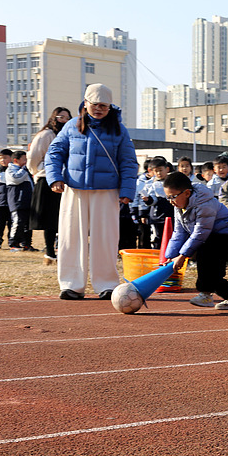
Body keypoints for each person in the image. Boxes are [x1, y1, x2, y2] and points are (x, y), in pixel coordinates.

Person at [43, 83, 139, 300]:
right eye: (94, 104)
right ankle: (71, 285)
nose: (98, 109)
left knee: (106, 238)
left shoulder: (119, 129)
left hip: (107, 192)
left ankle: (106, 284)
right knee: (70, 237)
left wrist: (127, 190)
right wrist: (55, 177)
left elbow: (128, 162)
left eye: (103, 106)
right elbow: (54, 152)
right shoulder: (71, 126)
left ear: (110, 107)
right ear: (85, 104)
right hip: (74, 190)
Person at [161, 172, 228, 310]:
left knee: (210, 267)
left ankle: (207, 295)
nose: (170, 201)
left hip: (225, 234)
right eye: (167, 197)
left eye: (173, 197)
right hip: (209, 236)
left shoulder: (204, 204)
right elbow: (179, 232)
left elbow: (201, 232)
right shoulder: (179, 206)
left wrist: (182, 256)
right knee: (209, 269)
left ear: (187, 193)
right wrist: (169, 257)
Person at [27, 107, 72, 262]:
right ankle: (49, 251)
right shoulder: (46, 135)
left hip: (66, 180)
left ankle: (61, 250)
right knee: (50, 218)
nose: (64, 120)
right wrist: (38, 171)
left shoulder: (69, 135)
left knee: (64, 217)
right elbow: (33, 157)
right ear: (54, 118)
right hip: (47, 178)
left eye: (67, 118)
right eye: (61, 117)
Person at [139, 156, 172, 248]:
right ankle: (158, 257)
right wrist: (148, 200)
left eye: (160, 170)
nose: (158, 173)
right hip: (157, 216)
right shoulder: (152, 184)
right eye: (156, 171)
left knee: (172, 237)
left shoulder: (173, 181)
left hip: (172, 214)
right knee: (157, 237)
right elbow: (153, 200)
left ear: (167, 169)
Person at [6, 151, 36, 251]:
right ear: (16, 160)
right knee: (18, 222)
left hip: (27, 201)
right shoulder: (11, 170)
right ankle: (13, 243)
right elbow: (16, 179)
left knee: (28, 224)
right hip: (17, 201)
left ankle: (26, 244)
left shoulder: (25, 170)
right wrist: (24, 169)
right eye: (24, 159)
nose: (26, 162)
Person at [0, 149, 12, 248]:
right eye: (1, 158)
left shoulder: (16, 171)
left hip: (12, 203)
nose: (3, 160)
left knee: (12, 224)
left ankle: (12, 242)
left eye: (5, 158)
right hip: (0, 203)